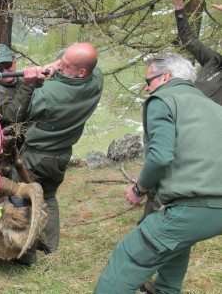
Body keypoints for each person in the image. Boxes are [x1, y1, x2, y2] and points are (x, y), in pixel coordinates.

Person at [94, 53, 222, 294]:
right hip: (213, 210)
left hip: (194, 205)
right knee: (176, 244)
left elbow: (161, 155)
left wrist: (138, 189)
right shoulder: (212, 106)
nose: (146, 88)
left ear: (165, 77)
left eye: (149, 81)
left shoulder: (163, 99)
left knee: (127, 258)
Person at [14, 42, 104, 264]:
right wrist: (59, 67)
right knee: (49, 195)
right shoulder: (96, 82)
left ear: (81, 71)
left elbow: (18, 113)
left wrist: (32, 79)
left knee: (24, 200)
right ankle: (50, 244)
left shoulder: (47, 94)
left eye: (66, 65)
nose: (60, 66)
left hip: (36, 156)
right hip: (62, 154)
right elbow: (88, 68)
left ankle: (26, 254)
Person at [138, 0, 222, 225]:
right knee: (159, 164)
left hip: (200, 134)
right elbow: (188, 38)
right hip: (177, 117)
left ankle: (157, 224)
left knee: (171, 170)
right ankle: (150, 220)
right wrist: (179, 8)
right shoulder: (213, 60)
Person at [0, 44, 32, 127]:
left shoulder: (23, 79)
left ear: (14, 62)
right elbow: (12, 116)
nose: (5, 71)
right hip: (11, 137)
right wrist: (28, 85)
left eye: (7, 65)